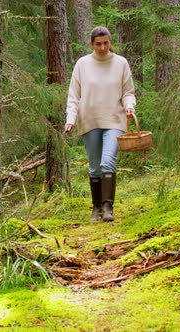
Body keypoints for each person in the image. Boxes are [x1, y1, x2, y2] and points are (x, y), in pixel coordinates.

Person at [64, 26, 136, 222]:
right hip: (89, 120)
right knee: (95, 166)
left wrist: (130, 106)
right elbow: (74, 96)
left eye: (106, 43)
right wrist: (70, 120)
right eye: (98, 44)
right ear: (92, 44)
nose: (102, 48)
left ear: (110, 43)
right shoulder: (82, 64)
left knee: (107, 162)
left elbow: (128, 92)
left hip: (115, 119)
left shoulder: (121, 63)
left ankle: (107, 207)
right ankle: (96, 207)